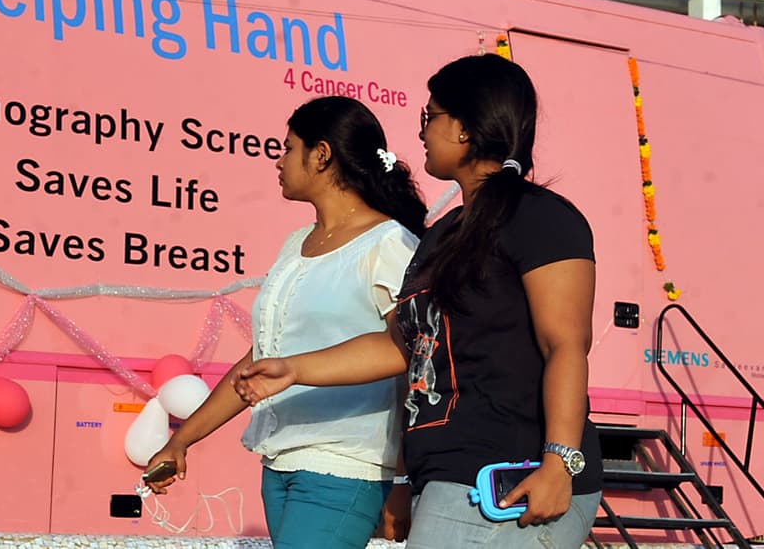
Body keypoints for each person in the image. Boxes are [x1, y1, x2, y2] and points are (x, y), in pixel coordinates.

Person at [235, 54, 603, 548]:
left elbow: (566, 344)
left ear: (467, 129)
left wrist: (560, 462)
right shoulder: (442, 235)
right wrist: (294, 369)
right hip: (447, 474)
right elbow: (402, 347)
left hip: (513, 475)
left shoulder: (541, 218)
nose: (422, 132)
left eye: (430, 117)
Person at [144, 95, 428, 549]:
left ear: (321, 155)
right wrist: (183, 441)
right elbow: (264, 355)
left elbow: (406, 349)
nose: (278, 161)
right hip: (278, 462)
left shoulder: (389, 242)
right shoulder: (297, 243)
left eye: (287, 148)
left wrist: (400, 480)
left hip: (344, 461)